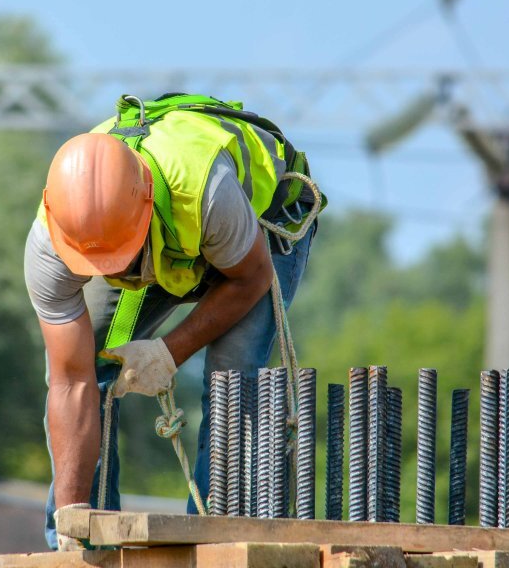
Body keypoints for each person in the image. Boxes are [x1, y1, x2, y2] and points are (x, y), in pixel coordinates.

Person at [23, 94, 322, 550]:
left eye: (120, 261)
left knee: (230, 381)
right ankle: (84, 541)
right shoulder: (51, 241)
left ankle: (216, 542)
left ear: (143, 207)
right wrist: (71, 514)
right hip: (170, 238)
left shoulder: (207, 192)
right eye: (100, 264)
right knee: (93, 363)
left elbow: (250, 280)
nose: (114, 275)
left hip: (257, 232)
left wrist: (169, 351)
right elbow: (69, 382)